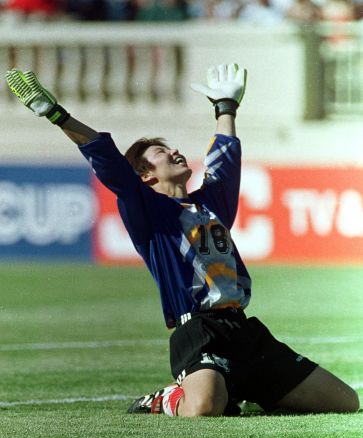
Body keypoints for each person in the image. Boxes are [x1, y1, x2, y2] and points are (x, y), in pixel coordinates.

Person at [5, 64, 360, 417]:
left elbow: (225, 160)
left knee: (345, 402)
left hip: (244, 329)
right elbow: (107, 159)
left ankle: (245, 388)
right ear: (145, 176)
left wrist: (225, 108)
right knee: (204, 408)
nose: (174, 152)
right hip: (197, 329)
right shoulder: (150, 213)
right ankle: (169, 398)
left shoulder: (209, 203)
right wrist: (57, 115)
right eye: (161, 153)